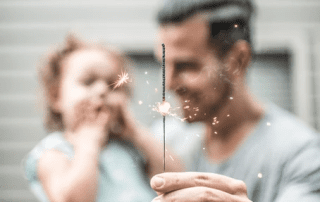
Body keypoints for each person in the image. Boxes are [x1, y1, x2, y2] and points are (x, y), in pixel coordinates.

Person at [150, 0, 320, 201]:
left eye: (186, 66)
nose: (169, 84)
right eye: (164, 65)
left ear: (238, 60)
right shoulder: (167, 138)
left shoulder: (301, 155)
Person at [23, 34, 182, 202]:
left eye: (113, 85)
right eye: (88, 81)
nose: (102, 90)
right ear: (56, 97)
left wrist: (134, 131)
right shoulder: (54, 152)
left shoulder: (130, 147)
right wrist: (89, 141)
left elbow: (177, 177)